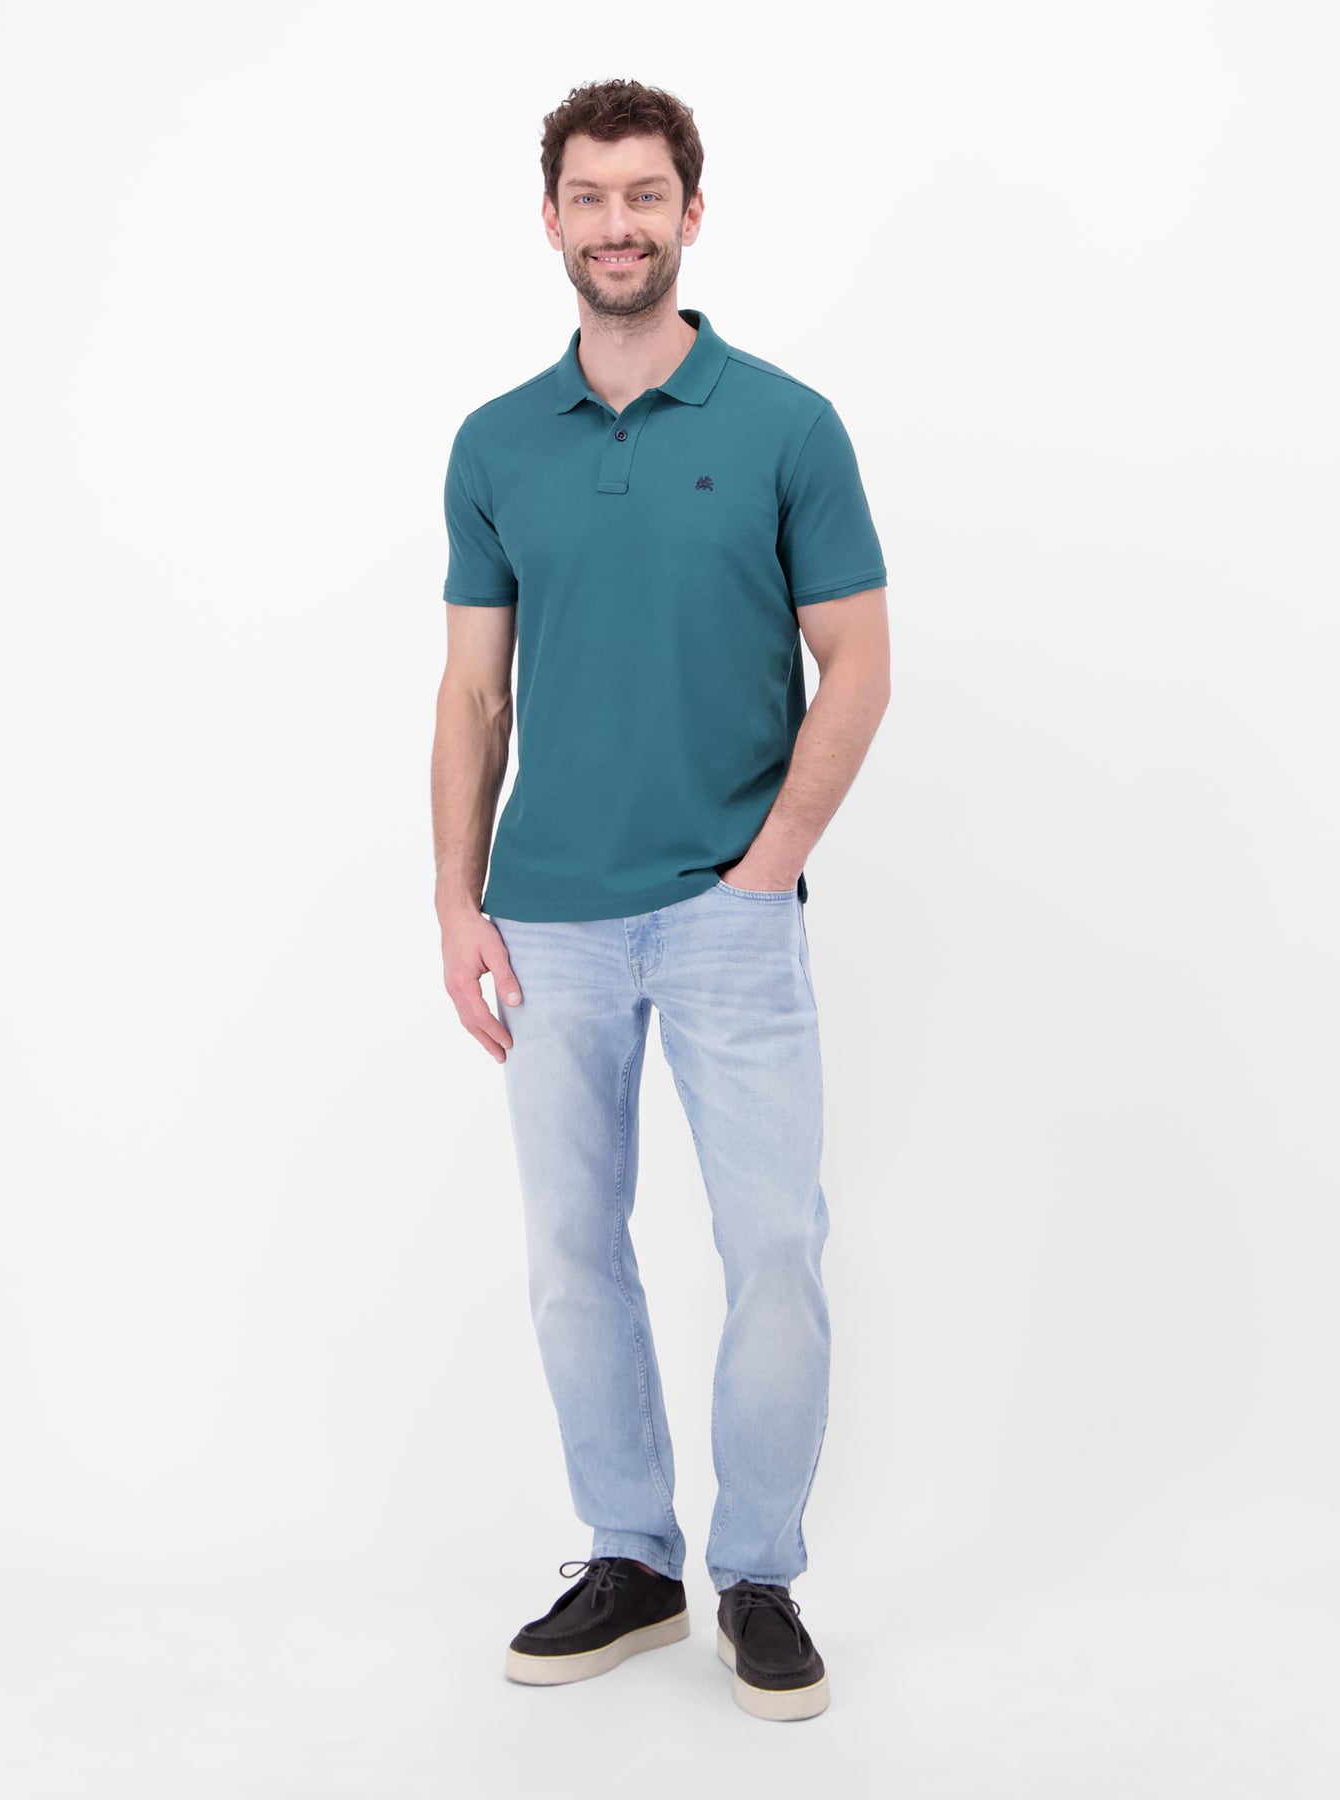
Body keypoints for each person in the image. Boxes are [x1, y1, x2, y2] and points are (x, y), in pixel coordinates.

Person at [432, 77, 890, 1722]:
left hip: (726, 914)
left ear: (691, 214)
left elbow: (857, 664)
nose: (615, 224)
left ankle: (755, 1573)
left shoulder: (785, 424)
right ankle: (629, 1559)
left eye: (644, 195)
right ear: (550, 219)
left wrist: (761, 870)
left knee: (772, 1244)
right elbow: (473, 694)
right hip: (547, 918)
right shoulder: (495, 443)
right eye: (588, 196)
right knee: (573, 1250)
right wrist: (455, 902)